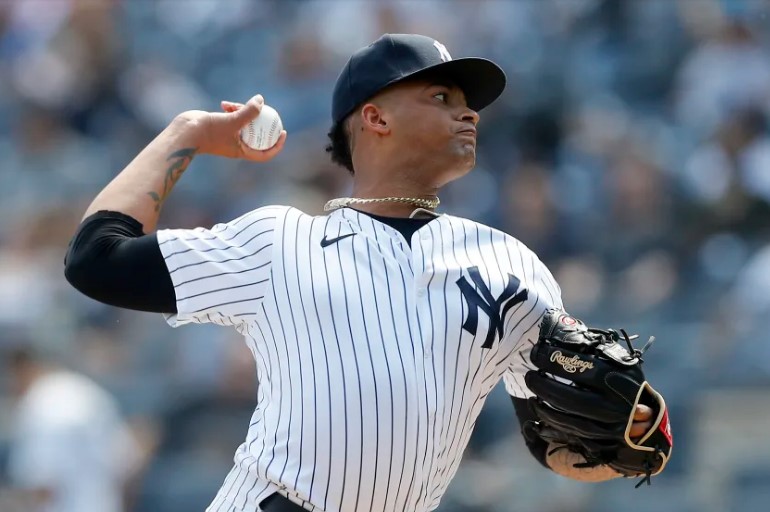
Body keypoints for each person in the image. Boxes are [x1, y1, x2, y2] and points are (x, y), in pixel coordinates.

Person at [64, 34, 659, 512]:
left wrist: (625, 444)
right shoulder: (280, 241)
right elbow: (97, 260)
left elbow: (550, 440)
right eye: (441, 98)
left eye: (466, 102)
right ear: (374, 117)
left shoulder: (513, 264)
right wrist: (185, 135)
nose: (469, 113)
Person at [4, 345, 140, 512]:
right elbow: (129, 462)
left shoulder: (40, 405)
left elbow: (41, 485)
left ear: (22, 369)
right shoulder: (87, 390)